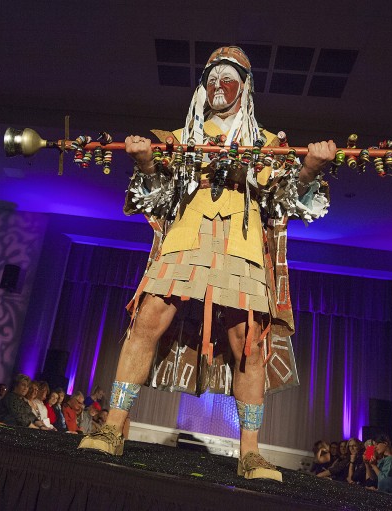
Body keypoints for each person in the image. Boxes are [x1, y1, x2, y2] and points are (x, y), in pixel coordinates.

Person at [78, 46, 334, 483]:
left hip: (243, 245)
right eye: (210, 79)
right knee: (147, 321)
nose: (217, 86)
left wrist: (308, 170)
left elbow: (284, 202)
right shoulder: (178, 139)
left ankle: (249, 454)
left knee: (248, 343)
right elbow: (155, 197)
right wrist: (145, 162)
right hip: (186, 238)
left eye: (226, 79)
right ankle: (112, 427)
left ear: (244, 88)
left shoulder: (268, 145)